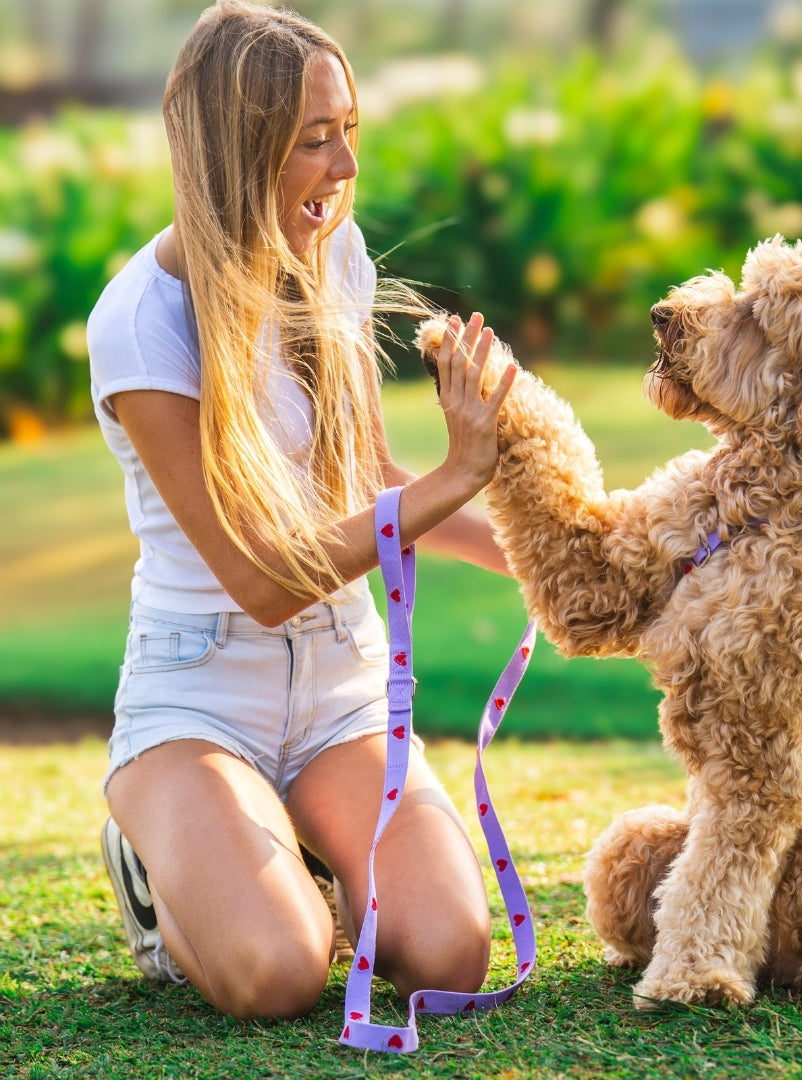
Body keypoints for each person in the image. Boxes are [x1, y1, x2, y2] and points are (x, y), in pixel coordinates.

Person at [87, 0, 516, 1021]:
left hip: (341, 692)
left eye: (350, 133)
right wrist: (450, 478)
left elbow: (373, 479)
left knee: (448, 954)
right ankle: (165, 861)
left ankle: (276, 841)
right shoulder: (143, 324)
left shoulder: (335, 254)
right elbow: (261, 579)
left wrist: (588, 563)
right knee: (280, 969)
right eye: (315, 141)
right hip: (200, 697)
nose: (345, 168)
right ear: (237, 150)